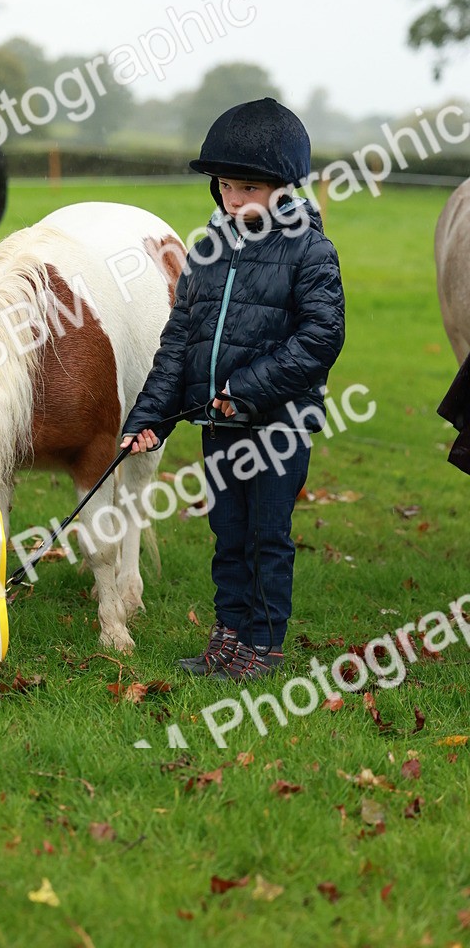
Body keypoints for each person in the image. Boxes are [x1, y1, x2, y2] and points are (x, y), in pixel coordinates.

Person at [120, 98, 345, 682]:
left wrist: (246, 389)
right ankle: (228, 635)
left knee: (266, 538)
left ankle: (263, 646)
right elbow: (178, 346)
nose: (235, 200)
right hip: (220, 428)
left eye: (249, 188)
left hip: (277, 428)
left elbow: (322, 337)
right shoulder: (207, 254)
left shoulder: (311, 251)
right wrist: (148, 420)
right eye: (225, 187)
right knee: (228, 536)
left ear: (283, 187)